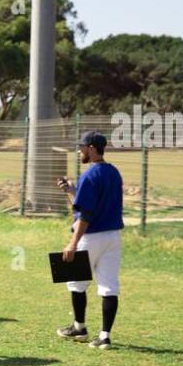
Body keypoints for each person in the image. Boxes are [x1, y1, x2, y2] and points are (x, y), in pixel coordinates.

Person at [56, 131, 124, 350]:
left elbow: (86, 214)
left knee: (76, 283)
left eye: (82, 146)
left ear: (92, 148)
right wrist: (71, 191)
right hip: (113, 236)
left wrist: (73, 243)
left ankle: (80, 327)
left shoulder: (89, 175)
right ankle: (104, 336)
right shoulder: (114, 172)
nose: (79, 150)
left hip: (89, 236)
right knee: (109, 287)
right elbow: (95, 202)